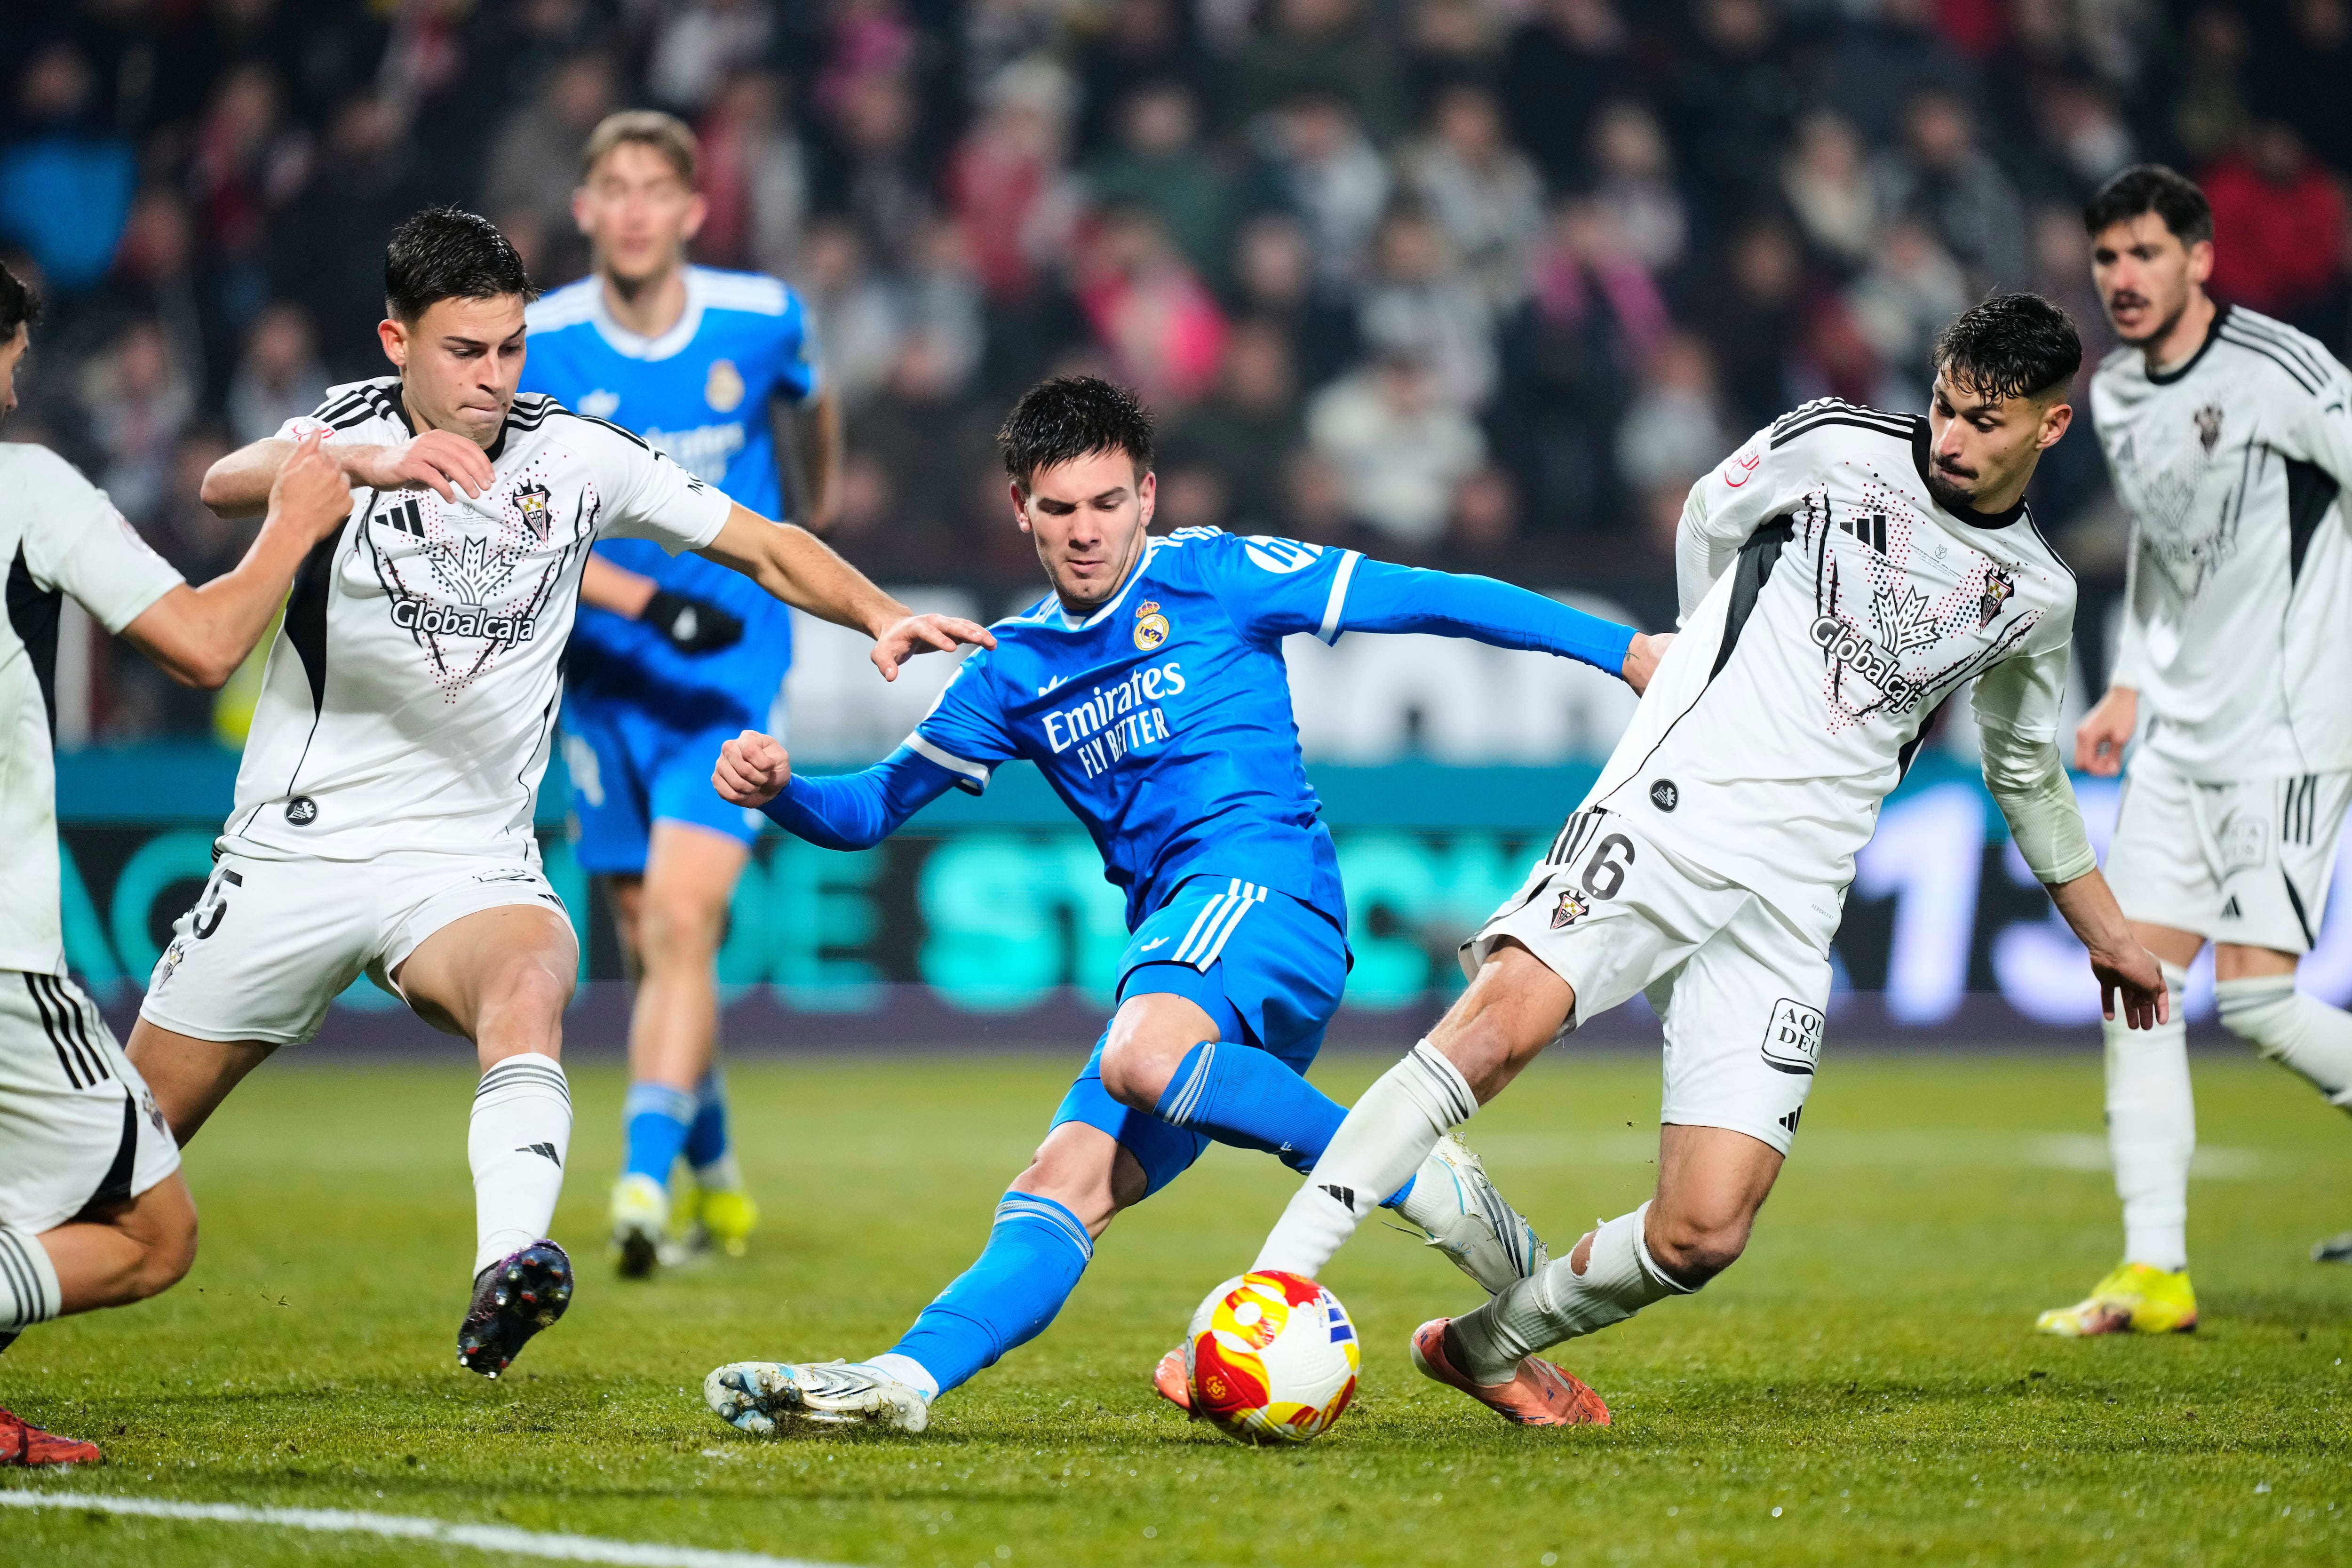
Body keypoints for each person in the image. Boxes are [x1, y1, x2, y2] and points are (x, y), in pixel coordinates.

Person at [1233, 296, 2169, 1427]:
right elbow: (1706, 513)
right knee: (1497, 1024)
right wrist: (1698, 680)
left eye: (1984, 420)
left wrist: (2107, 932)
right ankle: (1262, 1297)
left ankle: (1487, 1343)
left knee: (1703, 1229)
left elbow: (2025, 773)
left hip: (1794, 899)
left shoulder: (2036, 595)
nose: (1951, 438)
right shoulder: (1835, 445)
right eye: (1941, 406)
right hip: (1677, 808)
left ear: (2049, 427)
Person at [699, 374, 1670, 1436]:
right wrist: (779, 789)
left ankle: (1409, 1166)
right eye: (1058, 509)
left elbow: (1426, 595)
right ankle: (903, 1379)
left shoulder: (1217, 574)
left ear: (1147, 494)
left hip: (1269, 900)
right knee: (1063, 1180)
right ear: (1018, 506)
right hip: (1197, 974)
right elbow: (873, 807)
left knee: (1138, 1052)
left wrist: (1620, 650)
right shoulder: (1010, 669)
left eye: (1107, 503)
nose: (1084, 532)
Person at [122, 208, 987, 1379]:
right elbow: (231, 479)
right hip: (297, 852)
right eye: (463, 352)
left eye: (510, 348)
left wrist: (881, 612)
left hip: (467, 859)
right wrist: (361, 462)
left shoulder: (573, 455)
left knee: (532, 974)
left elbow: (768, 544)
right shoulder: (344, 427)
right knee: (117, 1161)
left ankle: (508, 1267)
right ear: (397, 341)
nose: (492, 379)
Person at [0, 260, 351, 1462]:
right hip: (1, 963)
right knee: (150, 1230)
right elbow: (205, 644)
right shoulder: (24, 486)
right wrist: (295, 526)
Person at [520, 111, 843, 1279]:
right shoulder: (543, 343)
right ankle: (717, 1175)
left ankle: (642, 1186)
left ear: (693, 210)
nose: (639, 207)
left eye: (660, 188)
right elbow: (525, 514)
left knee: (679, 924)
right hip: (604, 684)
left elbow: (811, 403)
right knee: (642, 943)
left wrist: (815, 507)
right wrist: (646, 605)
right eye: (616, 186)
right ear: (587, 209)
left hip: (731, 675)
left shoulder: (759, 318)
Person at [2040, 165, 2352, 1337]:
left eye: (2146, 254)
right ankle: (2154, 1268)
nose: (2122, 278)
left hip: (2287, 725)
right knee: (2138, 981)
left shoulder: (2285, 374)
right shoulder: (2117, 395)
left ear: (2200, 259)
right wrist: (2127, 681)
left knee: (2261, 1002)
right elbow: (2166, 551)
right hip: (2176, 732)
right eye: (2107, 257)